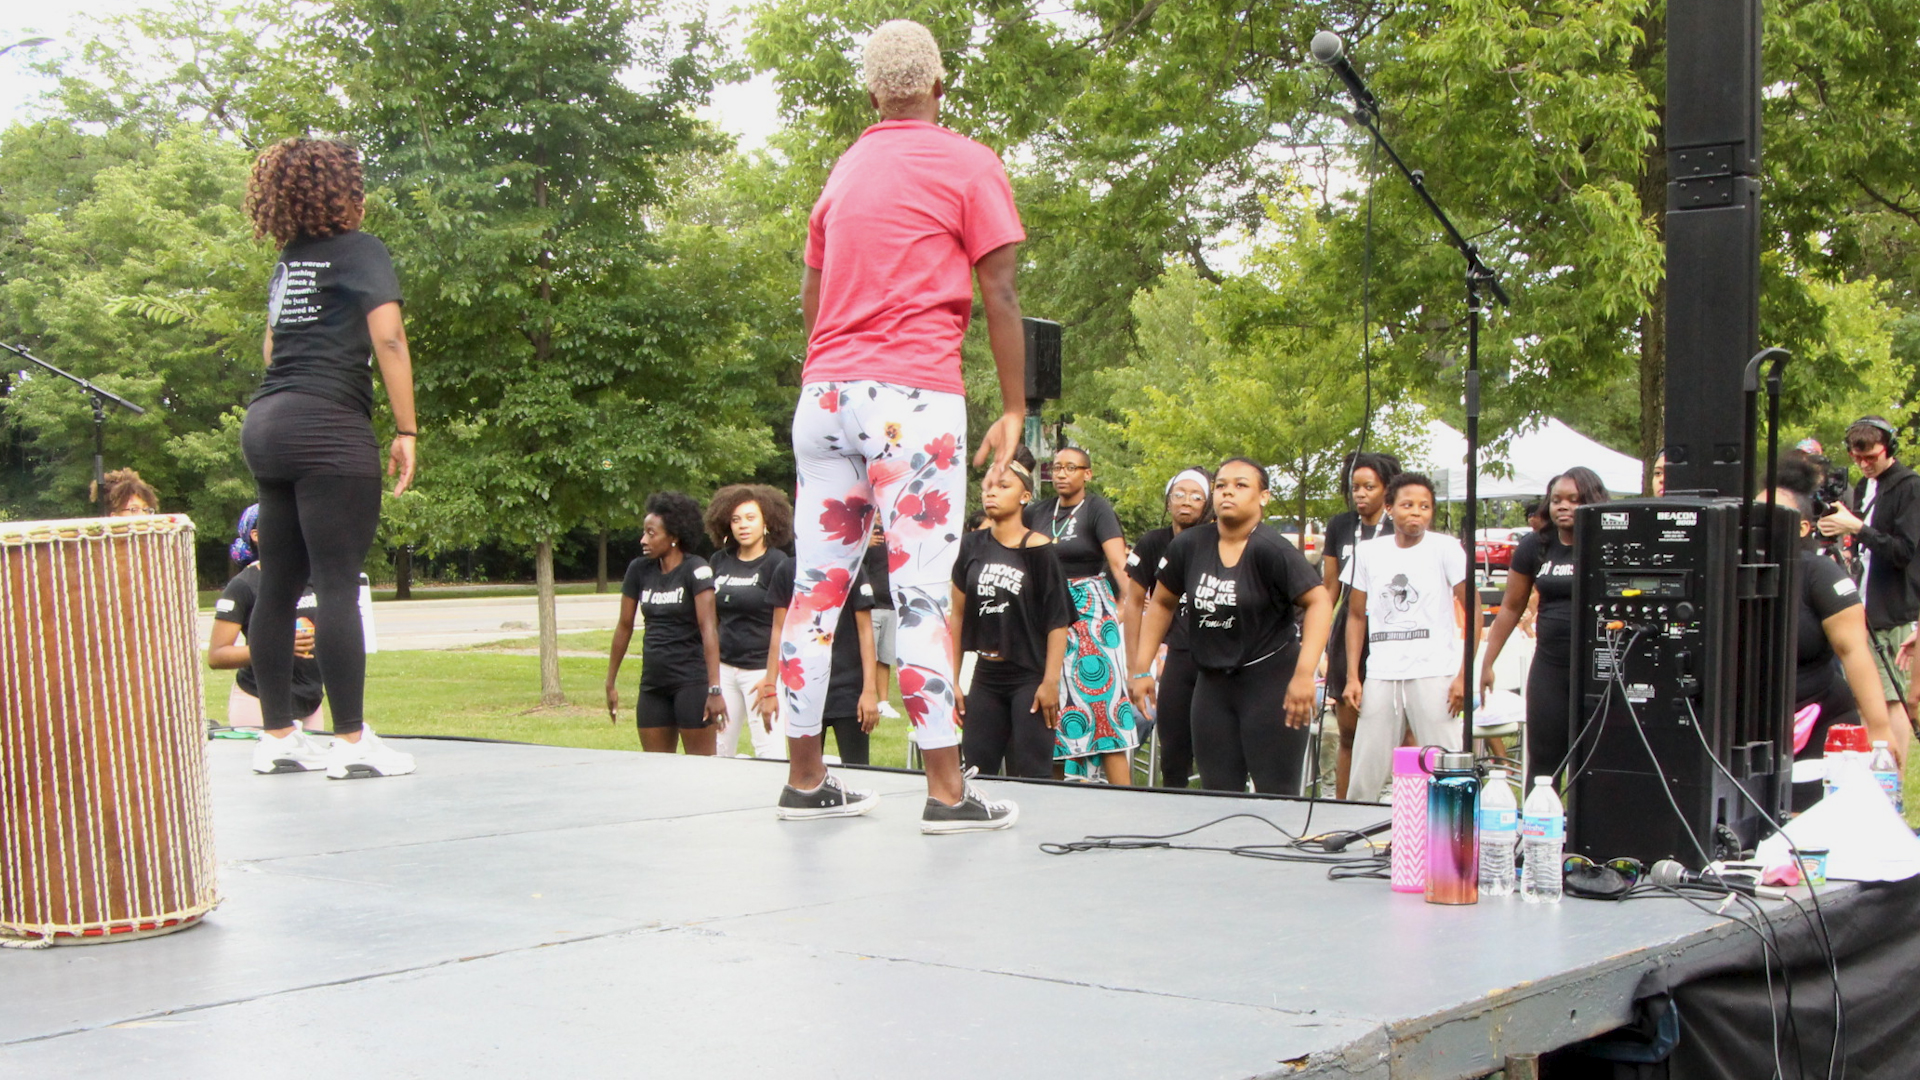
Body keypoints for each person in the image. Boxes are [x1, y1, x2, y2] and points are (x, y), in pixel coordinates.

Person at [775, 19, 1027, 832]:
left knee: (815, 595)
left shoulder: (843, 172)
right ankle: (949, 795)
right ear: (940, 87)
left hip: (824, 395)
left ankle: (806, 781)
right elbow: (1002, 294)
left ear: (872, 95)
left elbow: (813, 305)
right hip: (911, 400)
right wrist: (1016, 405)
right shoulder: (968, 163)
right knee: (920, 594)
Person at [239, 137, 416, 780]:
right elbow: (389, 337)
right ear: (343, 191)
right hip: (326, 426)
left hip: (267, 422)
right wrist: (406, 430)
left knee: (280, 581)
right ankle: (351, 744)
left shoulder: (290, 261)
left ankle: (280, 736)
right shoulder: (361, 251)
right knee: (338, 581)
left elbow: (271, 344)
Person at [1131, 458, 1333, 794]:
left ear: (1263, 497)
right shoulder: (1190, 545)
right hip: (1211, 685)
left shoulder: (1273, 550)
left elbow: (1320, 602)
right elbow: (1162, 602)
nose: (1228, 492)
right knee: (1218, 795)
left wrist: (1303, 674)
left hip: (1270, 686)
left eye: (1241, 486)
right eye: (1222, 485)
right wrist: (1141, 669)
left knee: (1276, 796)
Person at [1764, 452, 1896, 809]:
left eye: (1772, 515)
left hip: (1818, 718)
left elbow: (1854, 652)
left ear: (1803, 528)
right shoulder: (1723, 569)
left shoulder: (1819, 575)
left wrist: (1880, 732)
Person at [1341, 473, 1472, 803]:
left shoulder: (1445, 548)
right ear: (1389, 508)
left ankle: (1457, 833)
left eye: (1425, 506)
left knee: (1447, 763)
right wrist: (1353, 677)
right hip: (1382, 673)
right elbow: (1355, 616)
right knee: (1367, 766)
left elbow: (1474, 611)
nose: (1416, 512)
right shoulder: (1368, 552)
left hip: (1433, 671)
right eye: (1407, 505)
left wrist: (1463, 675)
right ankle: (1354, 827)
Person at [1479, 466, 1610, 780]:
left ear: (1592, 502)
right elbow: (1511, 607)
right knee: (1544, 763)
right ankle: (1541, 826)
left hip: (1599, 668)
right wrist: (1487, 662)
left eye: (1574, 500)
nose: (1562, 506)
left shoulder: (1607, 544)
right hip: (1550, 667)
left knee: (1596, 761)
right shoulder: (1535, 546)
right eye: (1556, 500)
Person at [950, 460, 1072, 778]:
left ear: (1024, 496)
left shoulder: (1040, 550)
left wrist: (1050, 681)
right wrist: (953, 679)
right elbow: (958, 616)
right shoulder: (970, 546)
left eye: (1003, 486)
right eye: (988, 486)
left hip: (1029, 676)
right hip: (986, 675)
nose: (992, 493)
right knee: (977, 770)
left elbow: (1057, 622)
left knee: (1032, 771)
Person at [1025, 446, 1139, 782]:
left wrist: (1123, 608)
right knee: (1053, 711)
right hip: (1045, 610)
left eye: (1070, 468)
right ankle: (1055, 803)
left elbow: (1119, 565)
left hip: (1090, 613)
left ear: (1087, 474)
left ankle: (1126, 806)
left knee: (1103, 707)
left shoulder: (1096, 508)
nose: (1061, 474)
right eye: (1056, 468)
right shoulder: (1038, 512)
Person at [1816, 416, 1920, 757]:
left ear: (1889, 449)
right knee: (1864, 698)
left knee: (1890, 700)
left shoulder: (1909, 486)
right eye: (1856, 457)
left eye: (1871, 457)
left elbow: (1904, 551)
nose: (1864, 464)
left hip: (1891, 609)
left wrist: (1857, 527)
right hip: (1863, 602)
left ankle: (1891, 784)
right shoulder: (1864, 486)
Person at [607, 492, 726, 754]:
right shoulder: (639, 570)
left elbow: (709, 630)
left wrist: (715, 688)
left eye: (651, 533)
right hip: (653, 684)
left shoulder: (696, 569)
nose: (643, 540)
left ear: (674, 537)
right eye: (644, 532)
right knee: (656, 769)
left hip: (691, 683)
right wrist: (610, 681)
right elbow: (624, 626)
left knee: (700, 770)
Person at [1119, 466, 1213, 788]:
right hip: (1178, 655)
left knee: (1217, 751)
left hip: (1218, 657)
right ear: (1168, 500)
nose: (1186, 502)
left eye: (1196, 496)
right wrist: (1137, 667)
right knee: (1173, 752)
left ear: (1208, 503)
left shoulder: (1216, 541)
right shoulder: (1152, 543)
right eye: (1179, 494)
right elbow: (1134, 603)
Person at [213, 505, 328, 752]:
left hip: (310, 701)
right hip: (258, 701)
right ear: (256, 535)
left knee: (313, 782)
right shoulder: (243, 585)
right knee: (269, 783)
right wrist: (277, 647)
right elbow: (217, 655)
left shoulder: (313, 577)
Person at [1320, 451, 1398, 797]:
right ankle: (1343, 807)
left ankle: (1403, 808)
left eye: (1370, 486)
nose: (1361, 494)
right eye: (1355, 487)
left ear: (1387, 489)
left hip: (1392, 628)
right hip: (1348, 628)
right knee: (1347, 730)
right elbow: (1329, 588)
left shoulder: (1400, 523)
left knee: (1402, 731)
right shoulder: (1340, 525)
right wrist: (1318, 638)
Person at [704, 484, 795, 758]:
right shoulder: (719, 561)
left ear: (767, 521)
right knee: (719, 752)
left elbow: (784, 627)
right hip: (724, 671)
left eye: (751, 517)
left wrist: (770, 680)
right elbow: (713, 620)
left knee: (769, 753)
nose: (743, 525)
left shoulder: (778, 563)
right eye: (736, 519)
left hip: (761, 672)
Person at [762, 560, 881, 766]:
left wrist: (869, 691)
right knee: (804, 771)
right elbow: (779, 632)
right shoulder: (787, 569)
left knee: (858, 769)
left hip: (848, 688)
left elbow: (865, 631)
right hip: (803, 689)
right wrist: (770, 687)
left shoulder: (851, 567)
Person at [864, 521, 902, 720]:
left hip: (891, 604)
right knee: (868, 655)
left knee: (886, 657)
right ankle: (865, 697)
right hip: (869, 605)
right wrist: (864, 544)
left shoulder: (897, 535)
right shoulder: (864, 536)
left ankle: (883, 702)